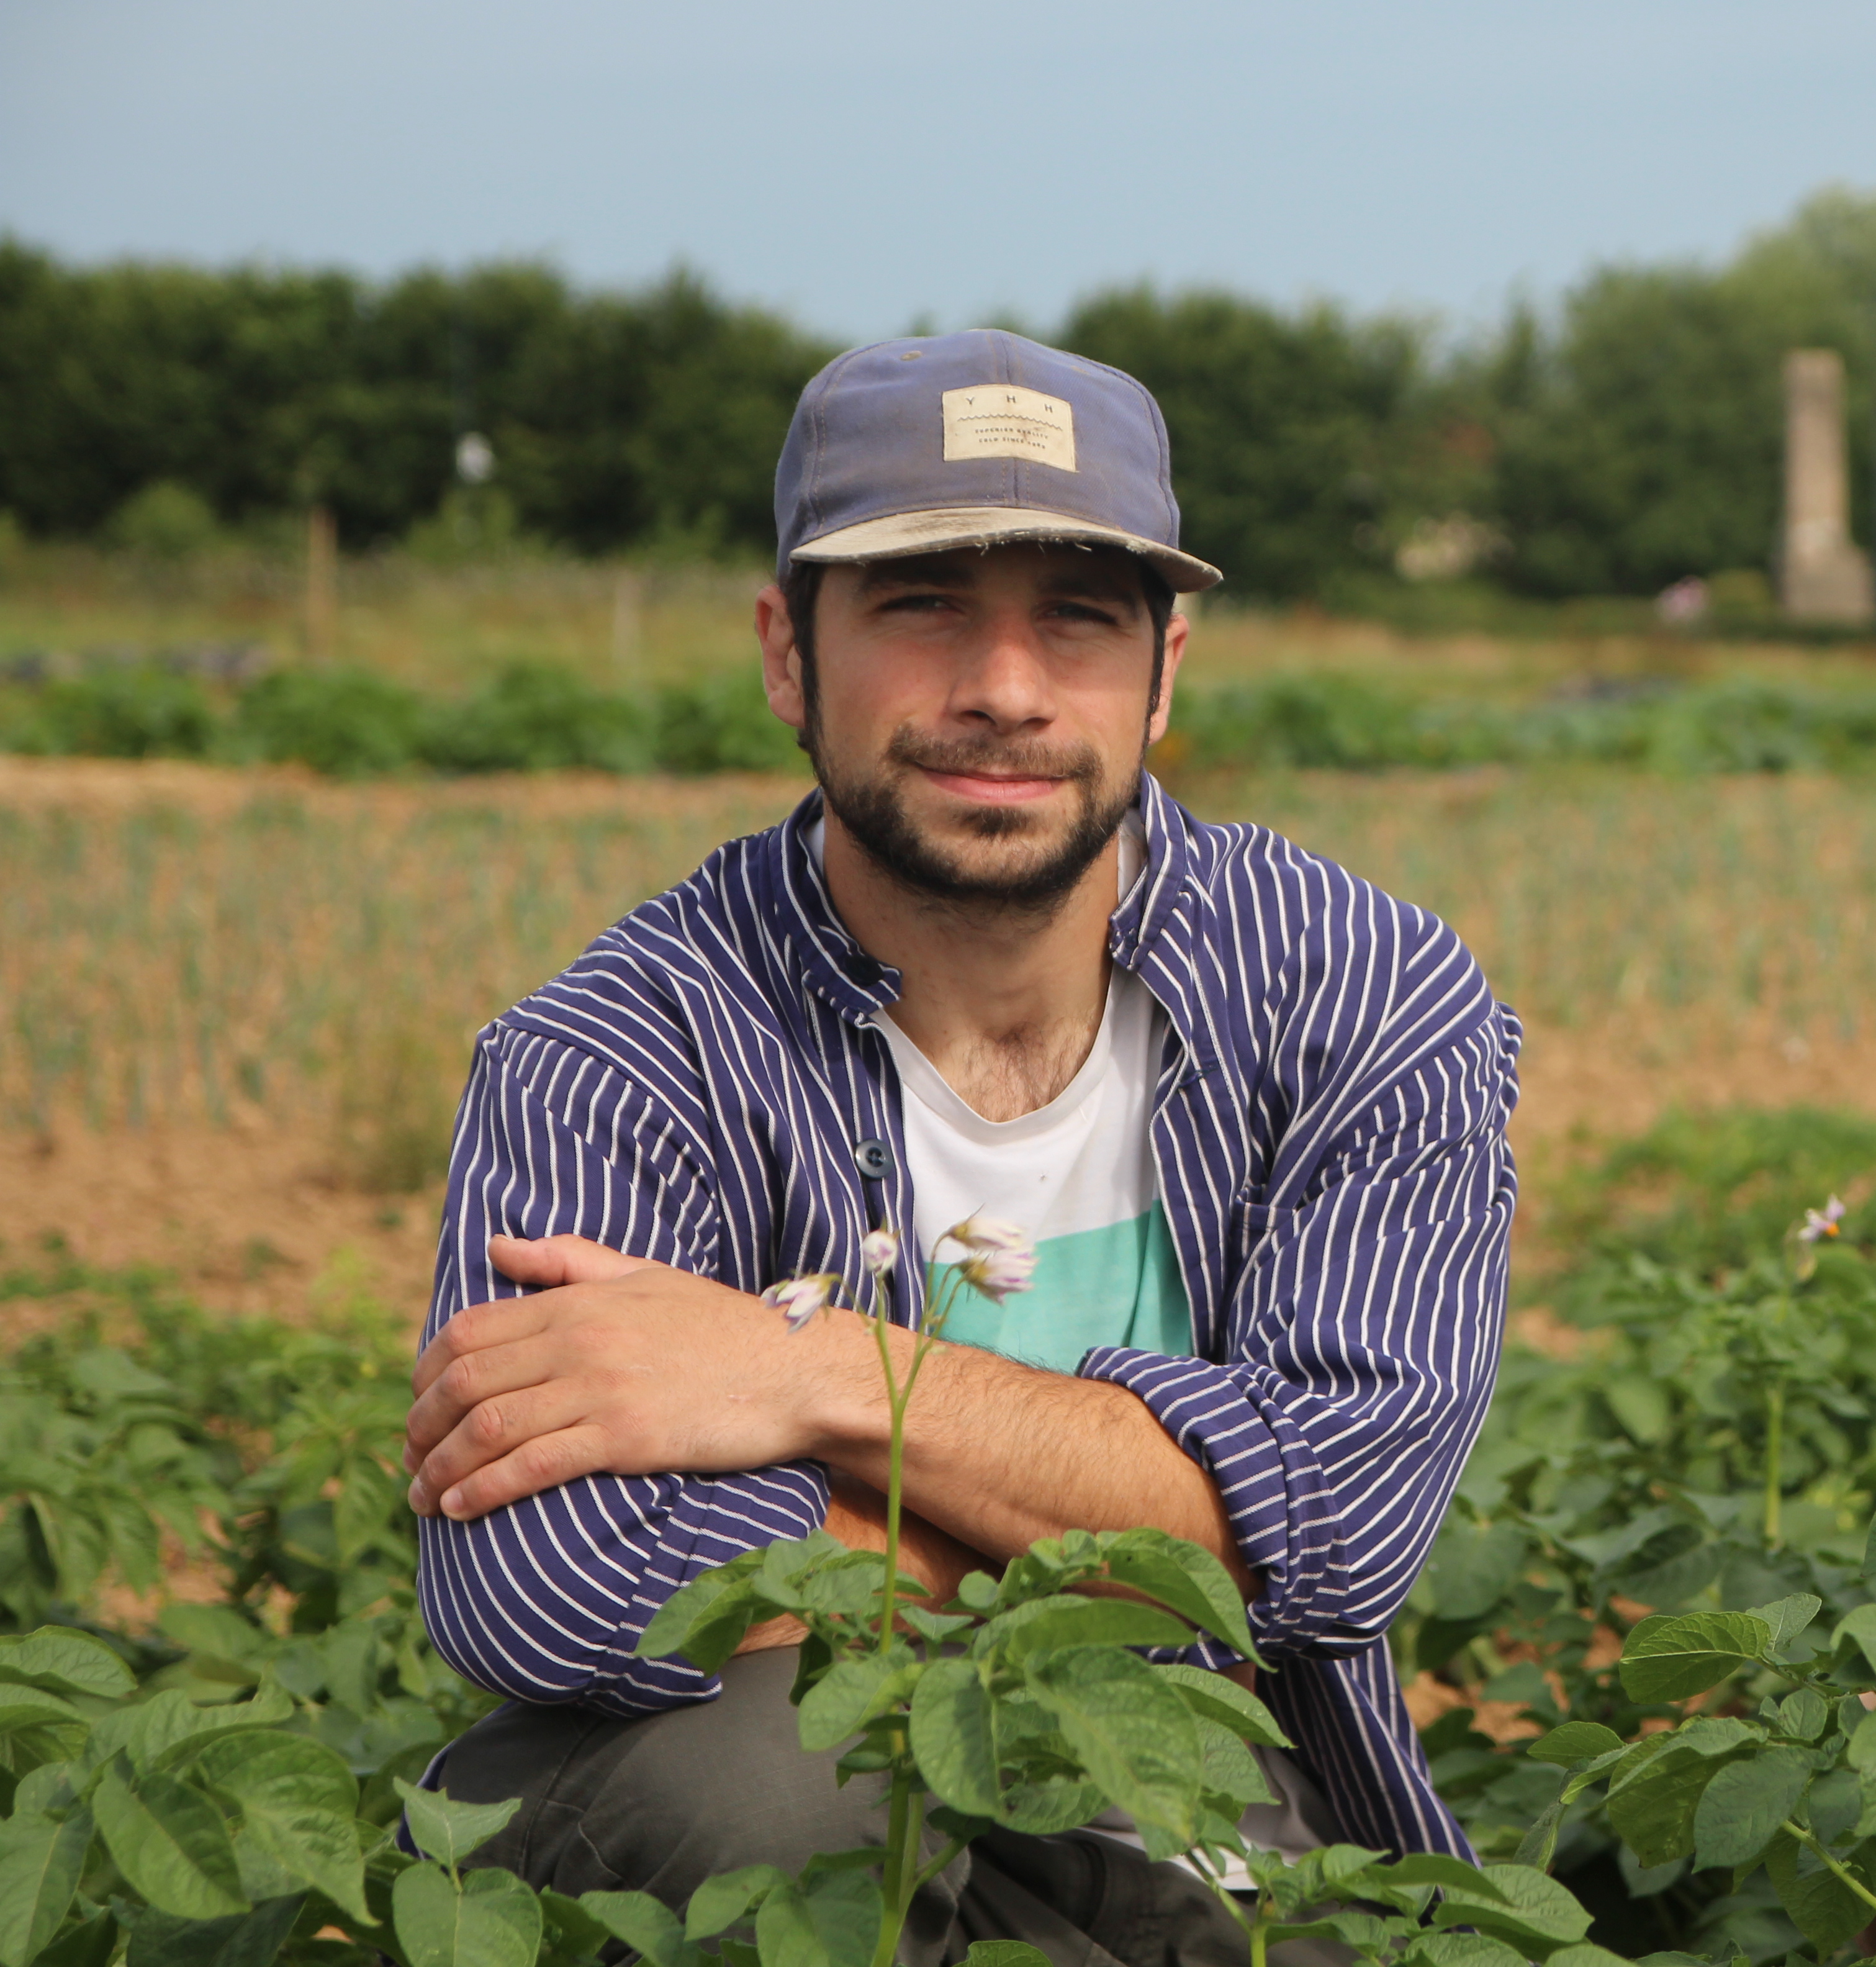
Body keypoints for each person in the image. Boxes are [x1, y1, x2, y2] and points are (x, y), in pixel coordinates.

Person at [403, 330, 1520, 1965]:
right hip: (784, 1801)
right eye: (922, 602)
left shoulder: (1366, 993)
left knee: (1205, 1867)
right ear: (789, 654)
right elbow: (547, 1579)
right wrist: (1158, 1547)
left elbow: (1340, 1537)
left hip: (1218, 1810)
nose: (1005, 690)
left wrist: (819, 1377)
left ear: (1166, 669)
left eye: (1078, 616)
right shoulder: (614, 1053)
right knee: (794, 1793)